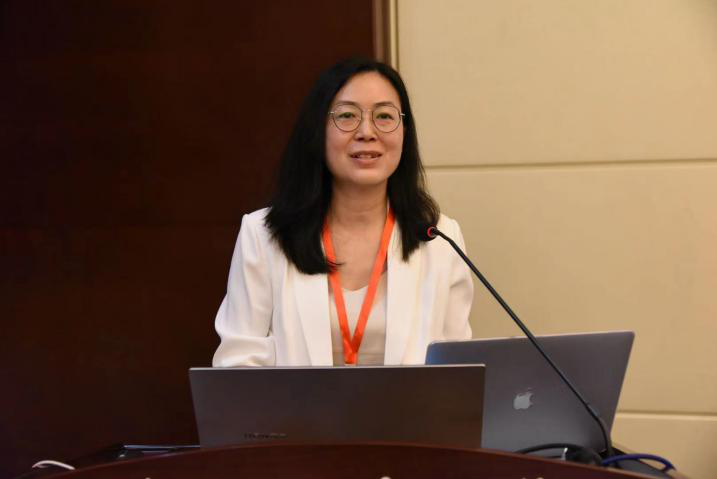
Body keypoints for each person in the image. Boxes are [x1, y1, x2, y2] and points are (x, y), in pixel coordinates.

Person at [212, 58, 473, 367]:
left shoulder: (439, 238)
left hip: (409, 403)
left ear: (405, 131)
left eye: (384, 116)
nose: (367, 131)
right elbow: (238, 367)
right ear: (318, 130)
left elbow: (458, 371)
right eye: (347, 116)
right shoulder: (264, 235)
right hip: (295, 403)